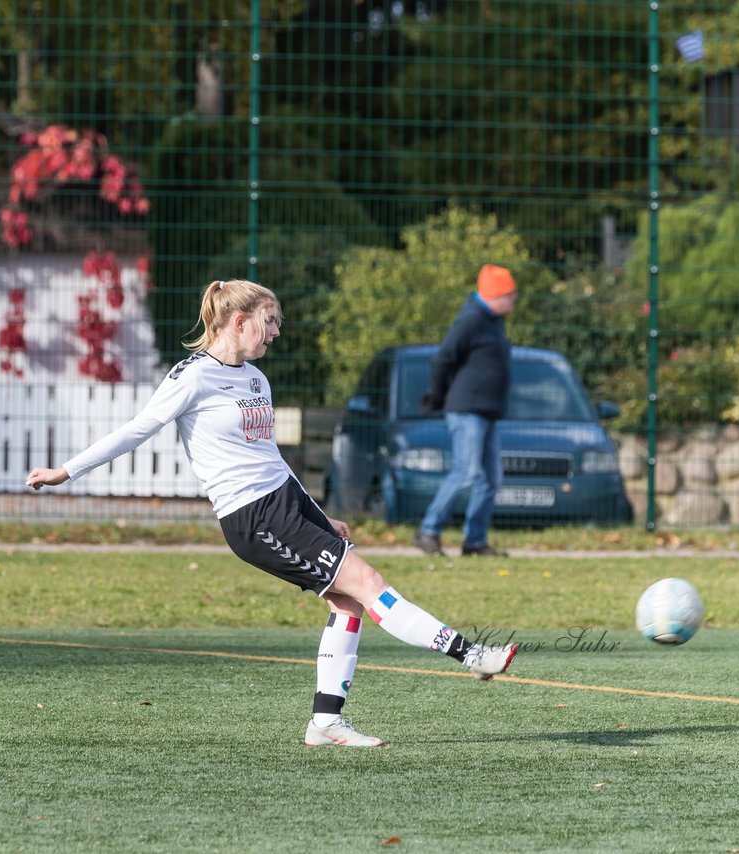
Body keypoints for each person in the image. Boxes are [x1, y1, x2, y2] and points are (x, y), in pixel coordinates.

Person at [26, 278, 518, 748]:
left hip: (286, 502)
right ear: (239, 322)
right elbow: (135, 431)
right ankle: (473, 655)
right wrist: (66, 471)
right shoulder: (192, 376)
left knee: (348, 604)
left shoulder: (257, 378)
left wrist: (318, 514)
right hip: (254, 517)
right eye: (270, 320)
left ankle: (326, 722)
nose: (277, 331)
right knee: (369, 584)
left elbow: (272, 459)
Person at [415, 264, 518, 558]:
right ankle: (428, 531)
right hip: (467, 411)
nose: (513, 301)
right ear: (496, 296)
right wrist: (437, 396)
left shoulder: (493, 321)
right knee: (466, 472)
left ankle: (475, 542)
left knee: (490, 479)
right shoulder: (471, 320)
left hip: (487, 412)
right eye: (510, 295)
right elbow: (442, 360)